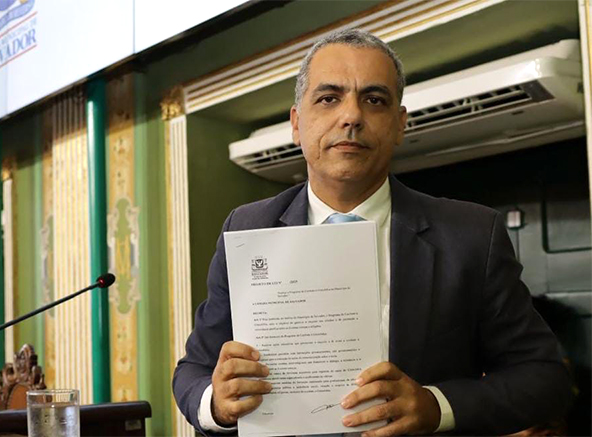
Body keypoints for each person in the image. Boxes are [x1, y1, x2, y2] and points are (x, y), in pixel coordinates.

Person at [172, 29, 572, 436]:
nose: (351, 116)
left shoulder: (471, 236)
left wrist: (436, 406)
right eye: (329, 98)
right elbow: (193, 370)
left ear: (399, 124)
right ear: (296, 123)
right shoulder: (245, 228)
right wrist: (217, 404)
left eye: (374, 100)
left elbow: (544, 377)